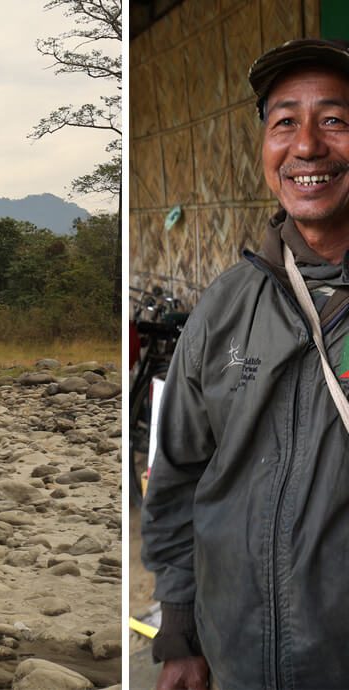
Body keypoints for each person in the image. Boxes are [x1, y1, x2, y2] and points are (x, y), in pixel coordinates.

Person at [142, 38, 349, 690]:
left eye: (336, 120)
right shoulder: (223, 307)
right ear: (265, 146)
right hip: (238, 658)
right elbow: (177, 477)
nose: (308, 146)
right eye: (284, 122)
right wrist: (179, 632)